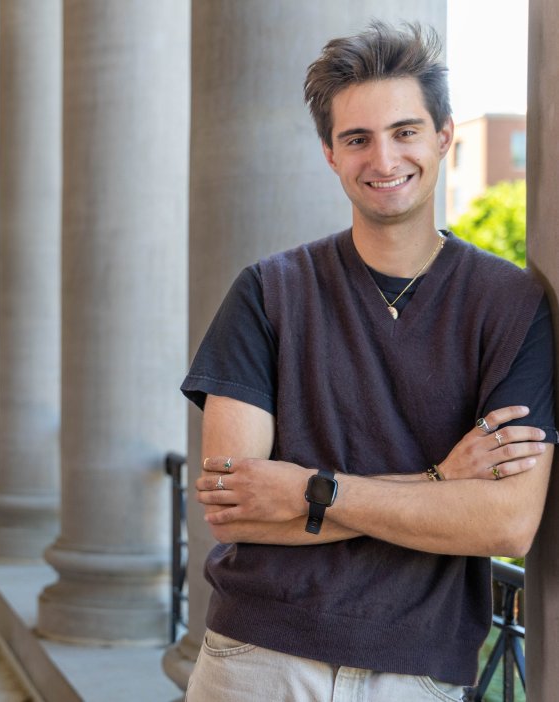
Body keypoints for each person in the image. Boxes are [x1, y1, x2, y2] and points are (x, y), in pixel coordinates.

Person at [181, 21, 556, 702]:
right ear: (330, 153)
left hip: (418, 672)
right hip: (258, 658)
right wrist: (441, 480)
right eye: (357, 139)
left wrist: (306, 490)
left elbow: (505, 522)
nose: (383, 158)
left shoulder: (511, 304)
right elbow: (237, 509)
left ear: (443, 136)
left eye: (405, 131)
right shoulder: (268, 292)